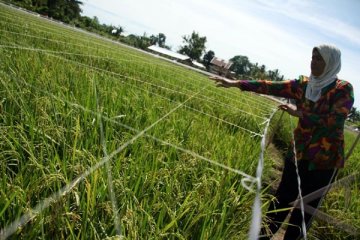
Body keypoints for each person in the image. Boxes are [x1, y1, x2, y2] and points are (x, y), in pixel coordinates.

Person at [210, 44, 354, 239]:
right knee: (281, 200)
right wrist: (236, 83)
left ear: (331, 62)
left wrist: (300, 113)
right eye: (312, 57)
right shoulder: (304, 84)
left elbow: (335, 121)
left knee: (304, 211)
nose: (313, 62)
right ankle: (263, 236)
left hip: (324, 161)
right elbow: (271, 85)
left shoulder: (342, 90)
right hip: (298, 153)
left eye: (319, 59)